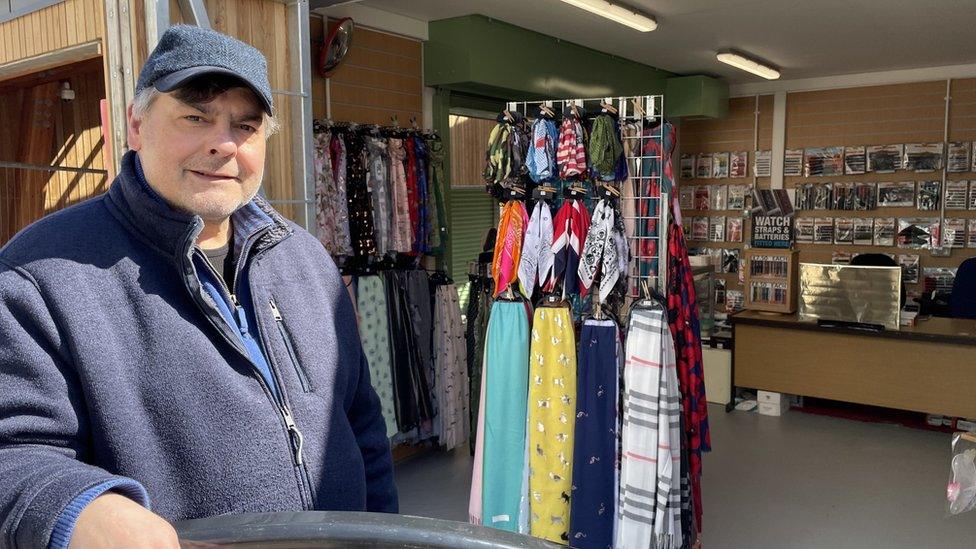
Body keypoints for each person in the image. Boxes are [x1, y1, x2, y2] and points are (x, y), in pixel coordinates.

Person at [0, 25, 397, 549]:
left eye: (246, 126)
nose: (224, 143)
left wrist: (387, 535)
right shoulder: (39, 274)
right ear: (135, 126)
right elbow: (14, 453)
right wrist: (81, 507)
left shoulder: (307, 260)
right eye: (195, 116)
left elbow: (360, 421)